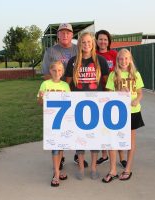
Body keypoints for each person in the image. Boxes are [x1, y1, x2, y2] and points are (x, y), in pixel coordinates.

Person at [42, 23, 88, 169]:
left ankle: (77, 155)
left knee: (77, 126)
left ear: (72, 34)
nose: (65, 35)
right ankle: (60, 158)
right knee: (59, 127)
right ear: (58, 35)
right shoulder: (50, 51)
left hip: (76, 92)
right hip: (58, 94)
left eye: (68, 32)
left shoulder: (78, 49)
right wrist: (57, 84)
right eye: (62, 32)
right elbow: (45, 73)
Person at [65, 32, 109, 180]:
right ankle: (81, 167)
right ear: (80, 44)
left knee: (95, 138)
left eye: (89, 41)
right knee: (80, 138)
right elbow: (67, 84)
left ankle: (94, 167)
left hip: (96, 105)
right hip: (78, 105)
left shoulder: (100, 61)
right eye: (83, 42)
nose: (86, 44)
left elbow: (107, 83)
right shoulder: (73, 61)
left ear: (93, 43)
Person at [102, 48, 145, 183]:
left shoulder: (135, 74)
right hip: (117, 112)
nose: (123, 61)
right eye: (120, 58)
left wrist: (137, 100)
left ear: (130, 59)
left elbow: (140, 93)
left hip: (133, 111)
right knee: (113, 141)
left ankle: (127, 169)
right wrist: (119, 92)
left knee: (130, 141)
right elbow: (108, 94)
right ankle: (113, 170)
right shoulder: (113, 75)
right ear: (117, 60)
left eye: (126, 58)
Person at [95, 30, 127, 168]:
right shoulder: (93, 55)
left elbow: (121, 69)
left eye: (105, 39)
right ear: (96, 41)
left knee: (116, 126)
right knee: (102, 126)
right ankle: (104, 155)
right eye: (100, 39)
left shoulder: (114, 54)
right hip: (99, 92)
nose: (103, 42)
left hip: (114, 93)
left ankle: (121, 157)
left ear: (109, 41)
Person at [38, 61, 70, 187]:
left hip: (63, 121)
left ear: (63, 72)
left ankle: (59, 169)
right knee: (55, 148)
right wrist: (41, 97)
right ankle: (56, 173)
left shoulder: (65, 86)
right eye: (54, 70)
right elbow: (40, 103)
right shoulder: (45, 84)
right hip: (51, 122)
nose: (57, 73)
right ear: (50, 71)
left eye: (60, 70)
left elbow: (69, 103)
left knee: (60, 146)